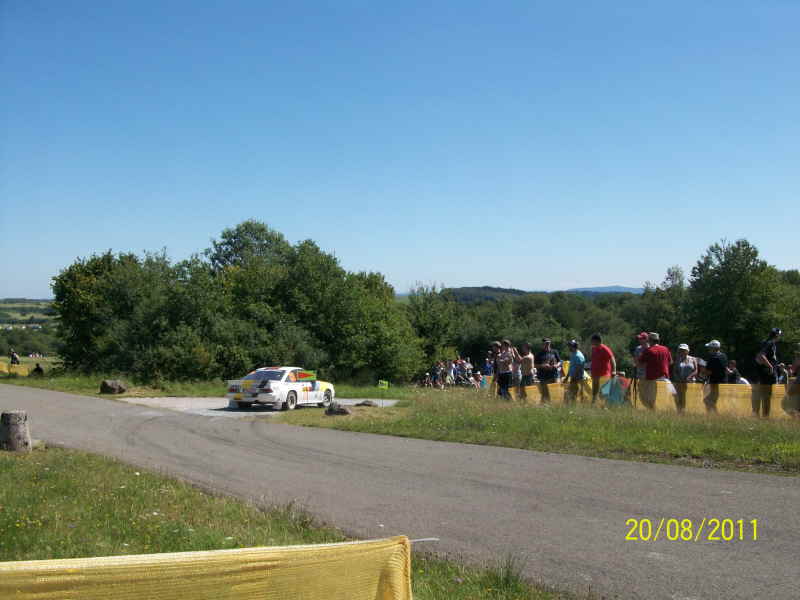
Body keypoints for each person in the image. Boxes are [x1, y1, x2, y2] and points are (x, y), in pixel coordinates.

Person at [636, 332, 673, 409]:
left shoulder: (649, 350)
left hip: (652, 378)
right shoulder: (665, 349)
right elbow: (671, 362)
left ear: (649, 340)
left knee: (647, 397)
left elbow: (640, 363)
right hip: (665, 378)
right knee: (664, 399)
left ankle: (652, 411)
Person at [753, 327, 784, 417]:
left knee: (764, 394)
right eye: (780, 335)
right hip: (767, 373)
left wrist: (775, 365)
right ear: (777, 335)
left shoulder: (767, 342)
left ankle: (761, 415)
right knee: (766, 395)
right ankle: (765, 416)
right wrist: (770, 366)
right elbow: (761, 356)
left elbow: (758, 358)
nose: (780, 336)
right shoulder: (769, 343)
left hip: (765, 372)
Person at [589, 333, 616, 404]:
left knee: (604, 392)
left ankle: (604, 406)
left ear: (596, 341)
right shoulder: (593, 349)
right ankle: (593, 404)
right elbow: (593, 360)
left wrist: (614, 371)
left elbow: (612, 359)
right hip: (595, 374)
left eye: (592, 341)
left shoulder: (605, 348)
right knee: (594, 390)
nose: (591, 342)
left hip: (604, 374)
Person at [702, 340, 728, 413]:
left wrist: (703, 371)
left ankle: (713, 415)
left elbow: (709, 372)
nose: (709, 349)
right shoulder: (724, 356)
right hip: (724, 382)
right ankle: (714, 415)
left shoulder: (712, 358)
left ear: (713, 348)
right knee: (712, 400)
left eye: (709, 348)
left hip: (715, 382)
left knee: (707, 400)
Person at [672, 343, 698, 412]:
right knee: (679, 399)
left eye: (684, 350)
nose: (682, 351)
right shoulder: (677, 359)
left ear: (687, 351)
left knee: (689, 399)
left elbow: (696, 370)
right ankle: (680, 412)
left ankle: (691, 412)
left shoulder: (693, 359)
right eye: (680, 350)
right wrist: (678, 378)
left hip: (690, 382)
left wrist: (689, 377)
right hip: (679, 383)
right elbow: (675, 371)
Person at [535, 338, 561, 402]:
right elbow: (535, 365)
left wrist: (556, 365)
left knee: (555, 392)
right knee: (545, 394)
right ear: (542, 344)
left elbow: (560, 361)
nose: (547, 345)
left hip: (554, 375)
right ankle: (545, 407)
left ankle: (555, 406)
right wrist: (543, 366)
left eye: (548, 343)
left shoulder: (555, 352)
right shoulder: (539, 354)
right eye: (546, 343)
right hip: (544, 377)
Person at [562, 339, 586, 404]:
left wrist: (574, 378)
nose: (568, 347)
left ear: (574, 346)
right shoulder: (573, 354)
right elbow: (571, 367)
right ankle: (572, 406)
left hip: (578, 378)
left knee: (574, 394)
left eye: (570, 346)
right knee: (571, 394)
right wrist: (567, 377)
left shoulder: (578, 356)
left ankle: (576, 406)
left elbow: (579, 369)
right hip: (573, 378)